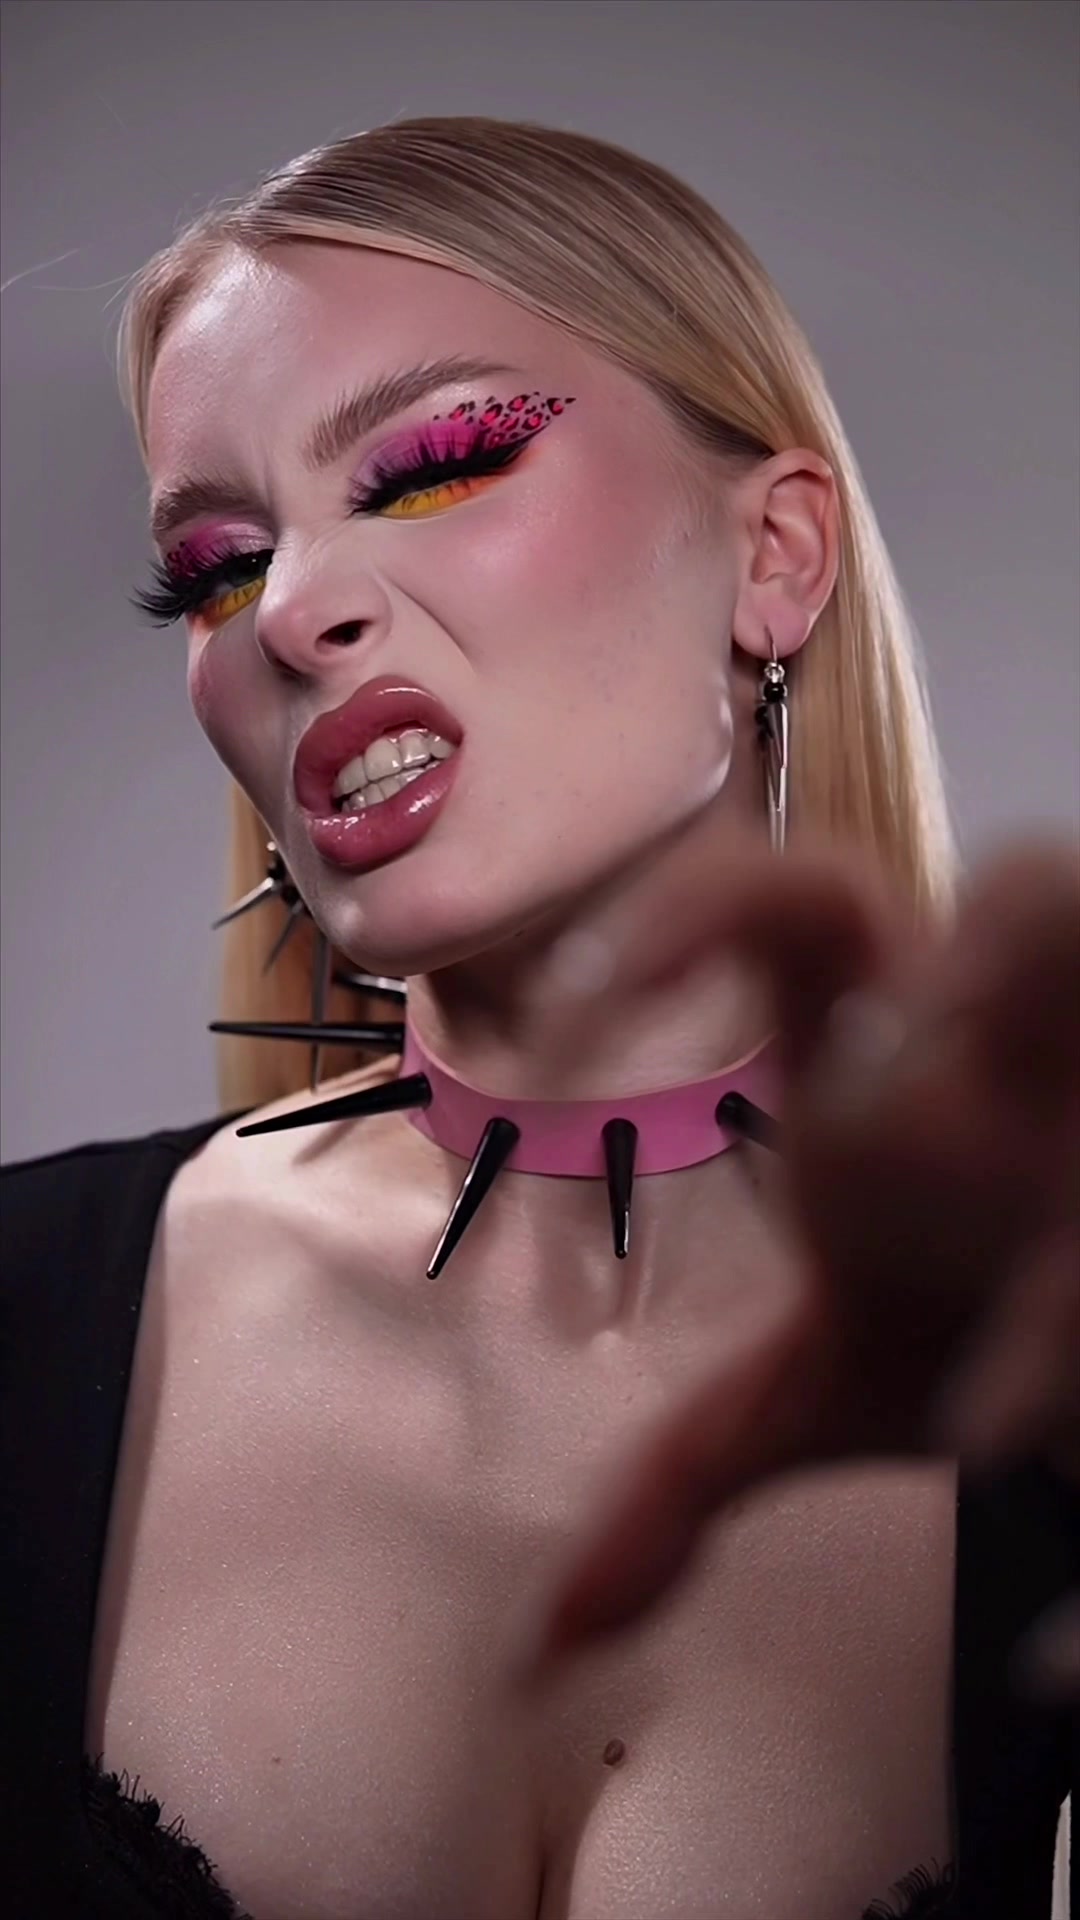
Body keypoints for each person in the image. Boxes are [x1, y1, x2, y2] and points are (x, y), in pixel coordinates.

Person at [3, 116, 1076, 1920]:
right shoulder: (25, 1311)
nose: (294, 614)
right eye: (216, 568)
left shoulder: (1039, 1357)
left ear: (776, 555)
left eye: (436, 467)